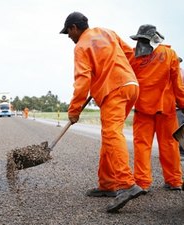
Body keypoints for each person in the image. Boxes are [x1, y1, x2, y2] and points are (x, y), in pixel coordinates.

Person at [60, 11, 143, 213]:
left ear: (74, 28)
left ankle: (126, 184)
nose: (69, 37)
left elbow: (82, 81)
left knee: (112, 134)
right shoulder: (107, 32)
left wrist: (74, 110)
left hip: (114, 90)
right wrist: (117, 70)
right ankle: (107, 184)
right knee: (109, 135)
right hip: (131, 86)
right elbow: (130, 54)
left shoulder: (81, 47)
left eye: (68, 33)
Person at [129, 25, 184, 192]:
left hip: (143, 109)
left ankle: (142, 183)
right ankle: (174, 181)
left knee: (142, 146)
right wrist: (183, 104)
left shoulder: (133, 57)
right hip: (166, 109)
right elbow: (178, 86)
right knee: (169, 144)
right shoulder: (170, 55)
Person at [176, 57, 184, 156]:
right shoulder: (181, 72)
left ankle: (181, 150)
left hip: (178, 106)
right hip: (179, 106)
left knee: (179, 128)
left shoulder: (179, 73)